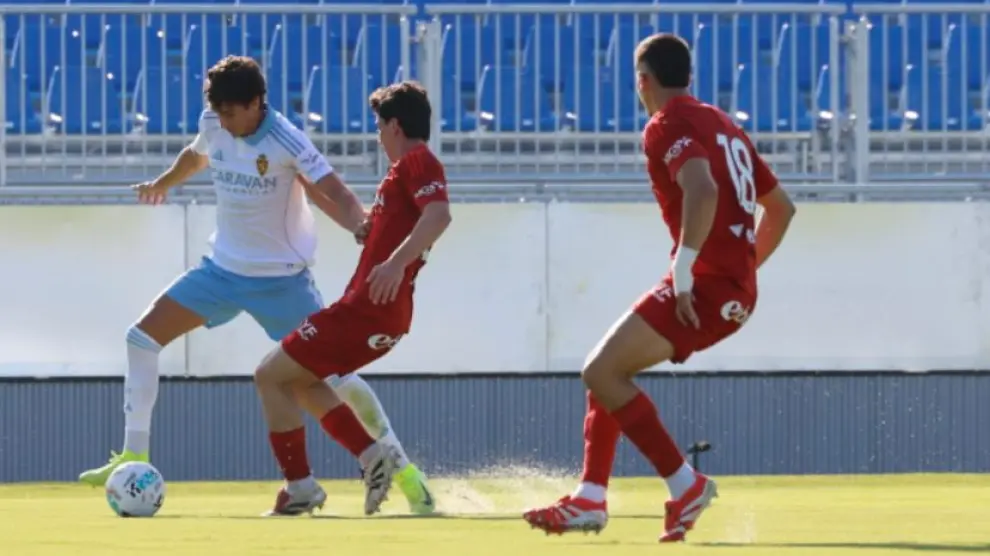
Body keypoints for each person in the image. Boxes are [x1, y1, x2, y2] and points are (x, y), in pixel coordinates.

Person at [77, 56, 436, 516]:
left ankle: (404, 473)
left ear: (256, 103)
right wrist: (164, 182)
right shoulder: (216, 121)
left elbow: (333, 189)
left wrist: (359, 225)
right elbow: (197, 152)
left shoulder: (286, 138)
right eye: (219, 113)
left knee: (330, 379)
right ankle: (133, 457)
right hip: (222, 272)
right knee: (141, 337)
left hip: (282, 281)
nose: (224, 121)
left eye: (232, 113)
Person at [522, 33, 797, 542]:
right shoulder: (723, 124)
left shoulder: (665, 124)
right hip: (733, 289)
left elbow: (702, 187)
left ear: (643, 81)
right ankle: (591, 496)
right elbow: (781, 208)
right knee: (608, 370)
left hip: (706, 284)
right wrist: (745, 268)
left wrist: (688, 271)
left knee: (600, 370)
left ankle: (682, 483)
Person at [252, 80, 452, 517]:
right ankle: (368, 456)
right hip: (380, 315)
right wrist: (304, 184)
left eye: (380, 126)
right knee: (300, 382)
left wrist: (395, 264)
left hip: (366, 311)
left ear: (395, 125)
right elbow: (381, 227)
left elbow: (440, 215)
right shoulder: (402, 176)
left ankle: (305, 485)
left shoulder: (417, 161)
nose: (378, 136)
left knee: (269, 376)